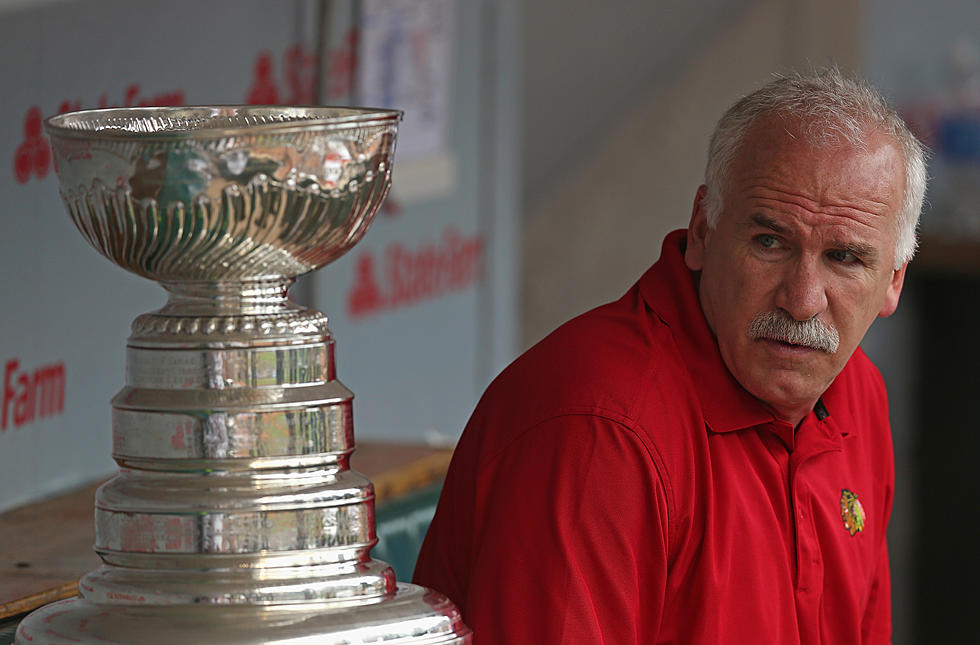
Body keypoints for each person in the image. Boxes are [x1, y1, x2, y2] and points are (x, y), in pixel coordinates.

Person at [413, 68, 926, 644]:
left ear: (894, 282)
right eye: (770, 242)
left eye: (845, 259)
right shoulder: (600, 430)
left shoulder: (858, 393)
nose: (802, 301)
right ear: (703, 230)